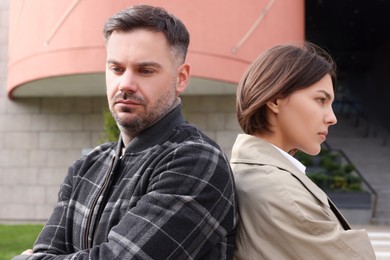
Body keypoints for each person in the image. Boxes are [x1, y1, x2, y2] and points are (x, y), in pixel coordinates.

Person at [13, 4, 237, 260]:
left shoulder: (196, 161)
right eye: (117, 69)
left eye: (145, 71)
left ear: (181, 77)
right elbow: (47, 251)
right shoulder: (85, 167)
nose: (126, 84)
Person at [231, 43, 375, 259]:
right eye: (321, 100)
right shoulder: (276, 188)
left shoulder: (259, 175)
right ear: (275, 100)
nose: (332, 118)